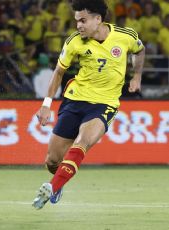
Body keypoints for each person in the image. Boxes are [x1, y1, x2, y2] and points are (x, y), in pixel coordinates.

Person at [32, 0, 145, 210]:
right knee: (52, 160)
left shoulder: (125, 36)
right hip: (75, 100)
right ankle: (57, 179)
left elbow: (140, 50)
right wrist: (46, 104)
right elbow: (58, 72)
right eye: (76, 21)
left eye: (83, 20)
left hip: (104, 103)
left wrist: (137, 76)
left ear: (98, 19)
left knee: (82, 142)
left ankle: (52, 187)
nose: (79, 26)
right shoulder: (74, 42)